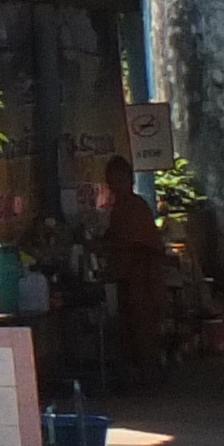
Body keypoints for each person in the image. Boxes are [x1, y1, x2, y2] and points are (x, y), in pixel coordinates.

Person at [95, 154, 171, 378]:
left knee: (143, 326)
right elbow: (114, 237)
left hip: (142, 276)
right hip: (128, 277)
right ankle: (138, 371)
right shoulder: (120, 207)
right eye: (110, 181)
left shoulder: (135, 206)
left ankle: (148, 373)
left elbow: (136, 242)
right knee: (130, 327)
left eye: (116, 180)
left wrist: (109, 246)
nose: (113, 186)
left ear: (128, 180)